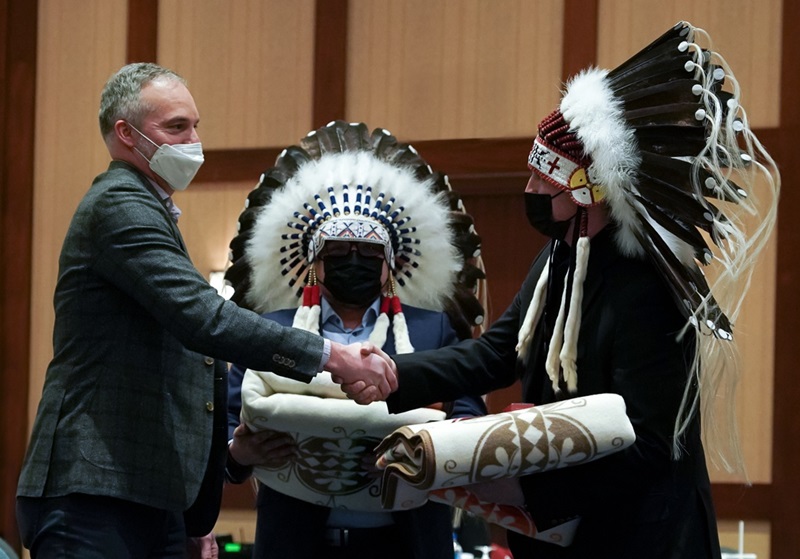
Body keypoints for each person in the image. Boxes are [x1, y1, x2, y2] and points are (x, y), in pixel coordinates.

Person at [350, 21, 780, 558]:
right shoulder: (560, 255)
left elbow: (647, 443)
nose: (528, 190)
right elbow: (496, 353)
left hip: (639, 534)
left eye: (541, 182)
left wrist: (528, 484)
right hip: (564, 529)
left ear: (587, 189)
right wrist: (392, 374)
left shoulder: (647, 285)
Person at [15, 64, 396, 559]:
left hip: (148, 496)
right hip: (96, 490)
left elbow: (182, 366)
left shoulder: (150, 209)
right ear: (126, 134)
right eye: (176, 127)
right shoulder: (119, 205)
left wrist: (195, 511)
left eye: (195, 126)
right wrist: (333, 356)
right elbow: (204, 320)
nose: (193, 141)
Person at [223, 121, 488, 558]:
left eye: (368, 253)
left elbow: (470, 421)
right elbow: (226, 437)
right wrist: (241, 450)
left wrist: (422, 455)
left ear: (389, 264)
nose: (354, 261)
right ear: (315, 264)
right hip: (296, 540)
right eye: (338, 252)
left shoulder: (432, 329)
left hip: (405, 542)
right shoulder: (274, 329)